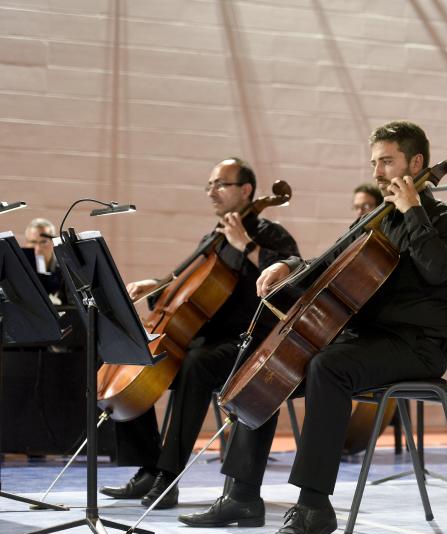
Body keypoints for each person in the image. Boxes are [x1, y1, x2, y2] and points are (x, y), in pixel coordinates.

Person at [178, 121, 447, 534]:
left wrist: (414, 211)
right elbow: (330, 261)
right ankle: (241, 496)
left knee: (327, 366)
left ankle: (314, 507)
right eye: (374, 162)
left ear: (416, 163)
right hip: (368, 340)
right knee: (271, 365)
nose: (377, 172)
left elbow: (439, 269)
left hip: (417, 346)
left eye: (387, 161)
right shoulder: (377, 218)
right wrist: (288, 265)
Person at [99, 157, 300, 510]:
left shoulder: (270, 235)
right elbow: (188, 286)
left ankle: (168, 476)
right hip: (205, 338)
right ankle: (147, 467)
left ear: (246, 190)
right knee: (136, 352)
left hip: (249, 343)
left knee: (196, 363)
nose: (212, 192)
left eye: (220, 184)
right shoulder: (213, 237)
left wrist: (246, 246)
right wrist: (157, 285)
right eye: (210, 185)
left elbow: (291, 287)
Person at [23, 218, 64, 301]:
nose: (38, 248)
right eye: (33, 242)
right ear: (26, 243)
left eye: (43, 242)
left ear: (53, 242)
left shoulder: (65, 270)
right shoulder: (21, 270)